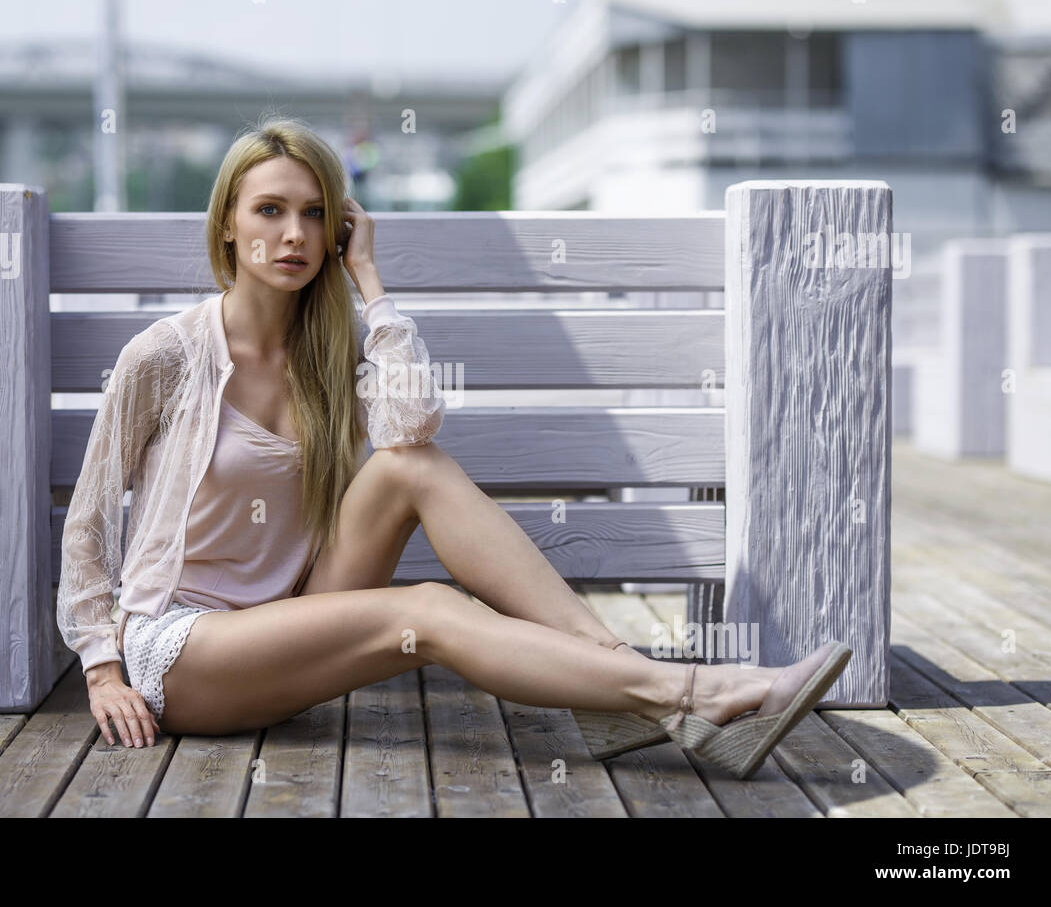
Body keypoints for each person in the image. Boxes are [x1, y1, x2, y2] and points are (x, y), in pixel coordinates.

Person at [56, 114, 851, 780]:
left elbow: (410, 432)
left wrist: (370, 284)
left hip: (290, 623)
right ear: (227, 221)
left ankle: (611, 679)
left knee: (414, 468)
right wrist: (99, 667)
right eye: (269, 210)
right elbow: (89, 519)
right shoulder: (165, 356)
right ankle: (692, 693)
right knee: (429, 612)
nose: (292, 233)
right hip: (186, 654)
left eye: (313, 213)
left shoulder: (329, 353)